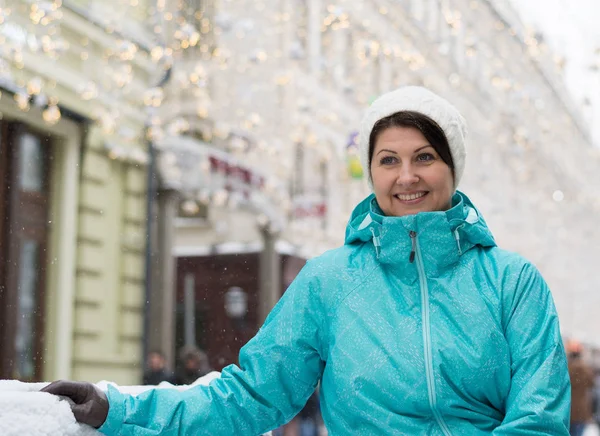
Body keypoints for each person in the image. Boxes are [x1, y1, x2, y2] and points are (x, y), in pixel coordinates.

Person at [42, 86, 570, 435]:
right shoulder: (331, 282)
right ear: (372, 172)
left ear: (453, 169)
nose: (406, 176)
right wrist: (120, 409)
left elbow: (538, 418)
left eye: (425, 157)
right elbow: (251, 396)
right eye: (388, 160)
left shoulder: (511, 282)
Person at [567, 339, 595, 436]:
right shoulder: (585, 369)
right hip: (581, 413)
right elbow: (592, 383)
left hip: (567, 411)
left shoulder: (567, 368)